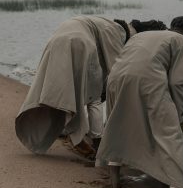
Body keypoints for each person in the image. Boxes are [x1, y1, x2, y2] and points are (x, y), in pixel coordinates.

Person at [15, 16, 166, 157]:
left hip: (57, 40)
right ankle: (96, 140)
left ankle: (70, 131)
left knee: (62, 93)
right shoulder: (117, 32)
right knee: (95, 97)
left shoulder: (106, 24)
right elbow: (117, 72)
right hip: (79, 42)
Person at [96, 16, 183, 188]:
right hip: (147, 81)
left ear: (170, 27)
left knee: (119, 126)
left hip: (116, 79)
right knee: (170, 137)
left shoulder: (144, 35)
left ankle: (115, 181)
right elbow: (178, 83)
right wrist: (181, 118)